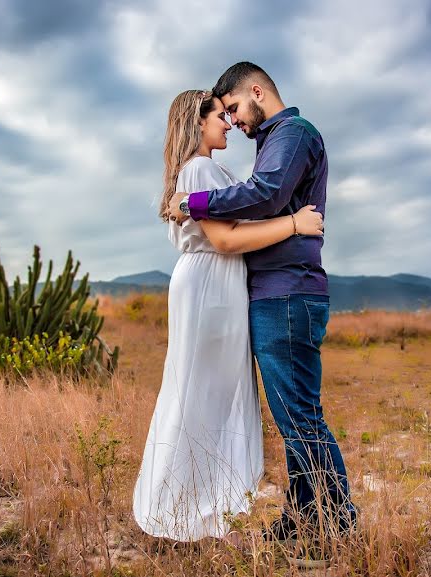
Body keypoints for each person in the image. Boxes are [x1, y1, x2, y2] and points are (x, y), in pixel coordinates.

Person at [168, 62, 356, 542]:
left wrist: (194, 204)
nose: (233, 120)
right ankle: (302, 517)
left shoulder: (292, 134)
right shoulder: (275, 141)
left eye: (233, 108)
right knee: (295, 418)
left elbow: (266, 194)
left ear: (257, 91)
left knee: (300, 418)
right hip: (278, 293)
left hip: (287, 293)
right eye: (225, 114)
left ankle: (335, 525)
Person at [132, 89, 324, 542]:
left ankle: (204, 508)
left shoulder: (205, 169)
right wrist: (294, 224)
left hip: (215, 284)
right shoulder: (198, 168)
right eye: (221, 115)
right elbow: (224, 240)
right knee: (203, 395)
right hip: (212, 285)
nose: (229, 124)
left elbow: (235, 227)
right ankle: (185, 508)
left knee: (206, 393)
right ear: (197, 122)